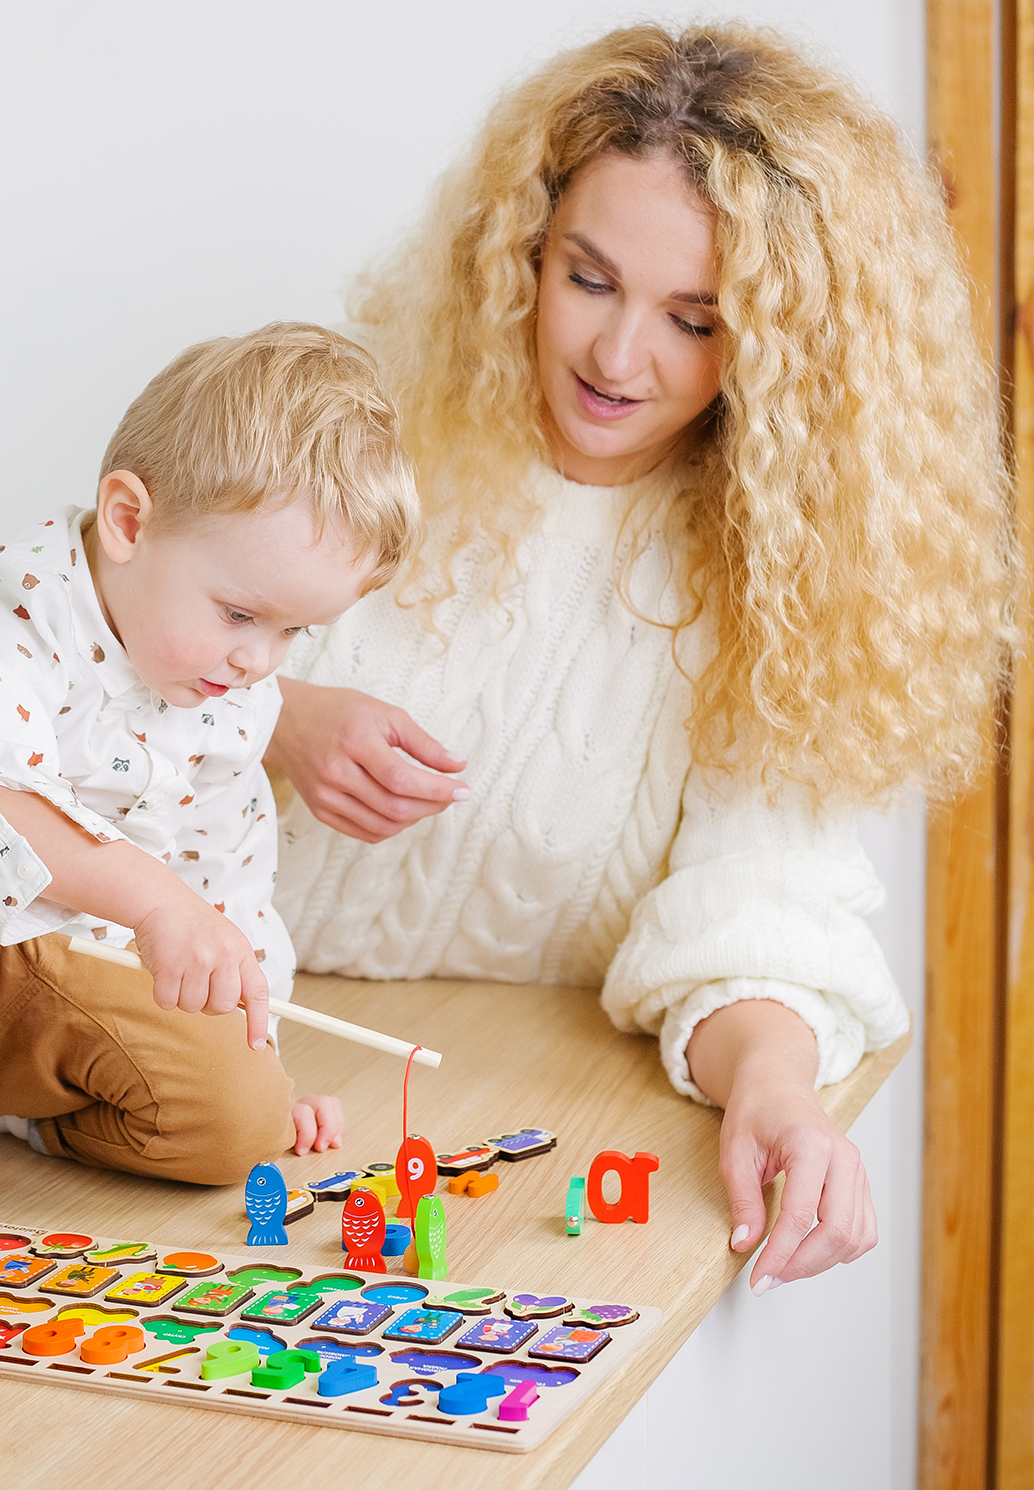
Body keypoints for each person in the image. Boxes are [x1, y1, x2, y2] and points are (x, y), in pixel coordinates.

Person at [266, 24, 1019, 1292]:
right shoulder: (335, 433)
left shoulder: (785, 569)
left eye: (694, 318)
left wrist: (776, 1093)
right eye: (590, 280)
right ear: (521, 251)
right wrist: (270, 716)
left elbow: (752, 923)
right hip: (226, 1066)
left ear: (783, 347)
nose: (621, 360)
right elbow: (63, 669)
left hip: (515, 1120)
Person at [0, 323, 420, 1272]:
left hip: (43, 991)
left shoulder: (234, 694)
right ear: (131, 521)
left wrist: (256, 1042)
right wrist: (155, 902)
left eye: (292, 633)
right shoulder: (8, 613)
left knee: (242, 1126)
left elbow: (225, 888)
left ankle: (18, 1113)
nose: (258, 660)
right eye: (238, 614)